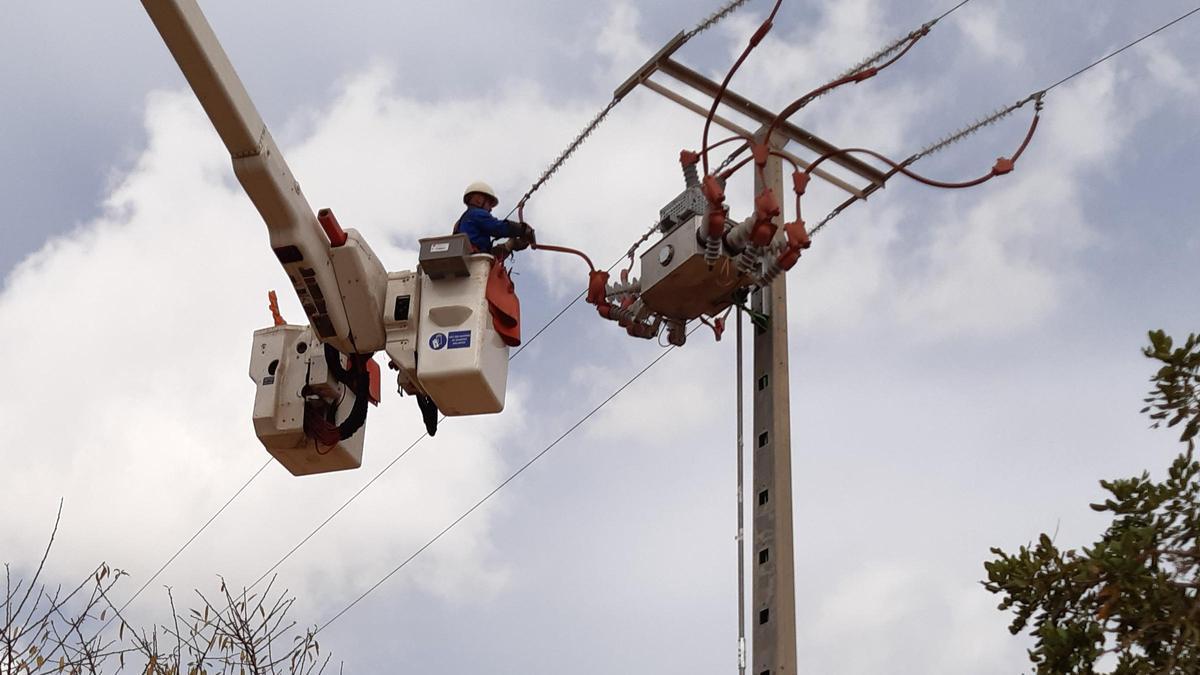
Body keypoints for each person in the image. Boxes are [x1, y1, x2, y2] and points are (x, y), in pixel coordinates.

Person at [453, 181, 536, 255]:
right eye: (489, 203)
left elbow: (485, 255)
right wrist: (523, 229)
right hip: (473, 261)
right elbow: (497, 228)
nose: (491, 209)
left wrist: (510, 245)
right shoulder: (476, 214)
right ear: (478, 200)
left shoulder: (461, 223)